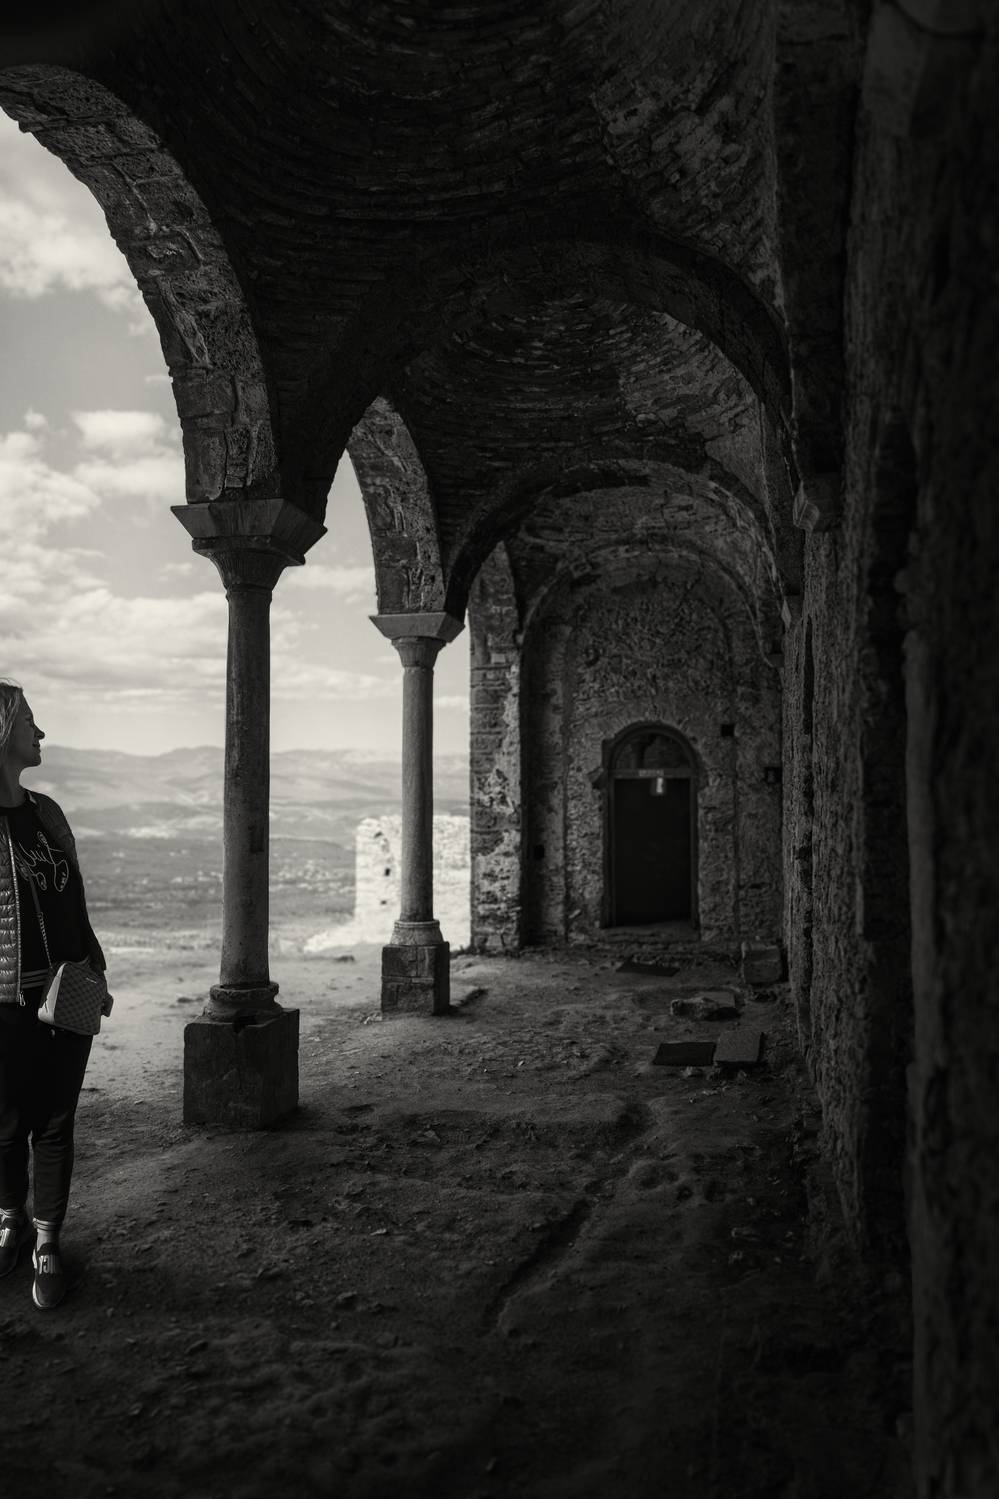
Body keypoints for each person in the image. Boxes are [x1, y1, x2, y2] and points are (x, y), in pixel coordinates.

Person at [0, 681, 109, 1310]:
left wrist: (94, 969)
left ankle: (47, 1242)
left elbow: (75, 901)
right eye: (30, 724)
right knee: (6, 1125)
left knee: (57, 1122)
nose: (40, 735)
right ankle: (10, 1219)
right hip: (4, 1007)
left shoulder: (48, 813)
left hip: (66, 995)